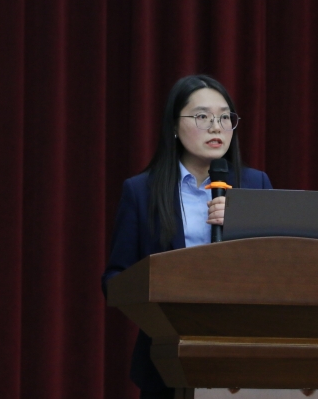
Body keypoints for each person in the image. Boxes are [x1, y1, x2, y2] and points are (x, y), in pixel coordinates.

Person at [102, 75, 273, 399]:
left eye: (225, 117)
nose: (216, 127)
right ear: (173, 126)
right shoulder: (141, 192)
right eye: (202, 116)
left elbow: (276, 266)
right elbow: (115, 279)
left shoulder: (256, 184)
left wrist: (244, 224)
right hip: (167, 359)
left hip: (244, 354)